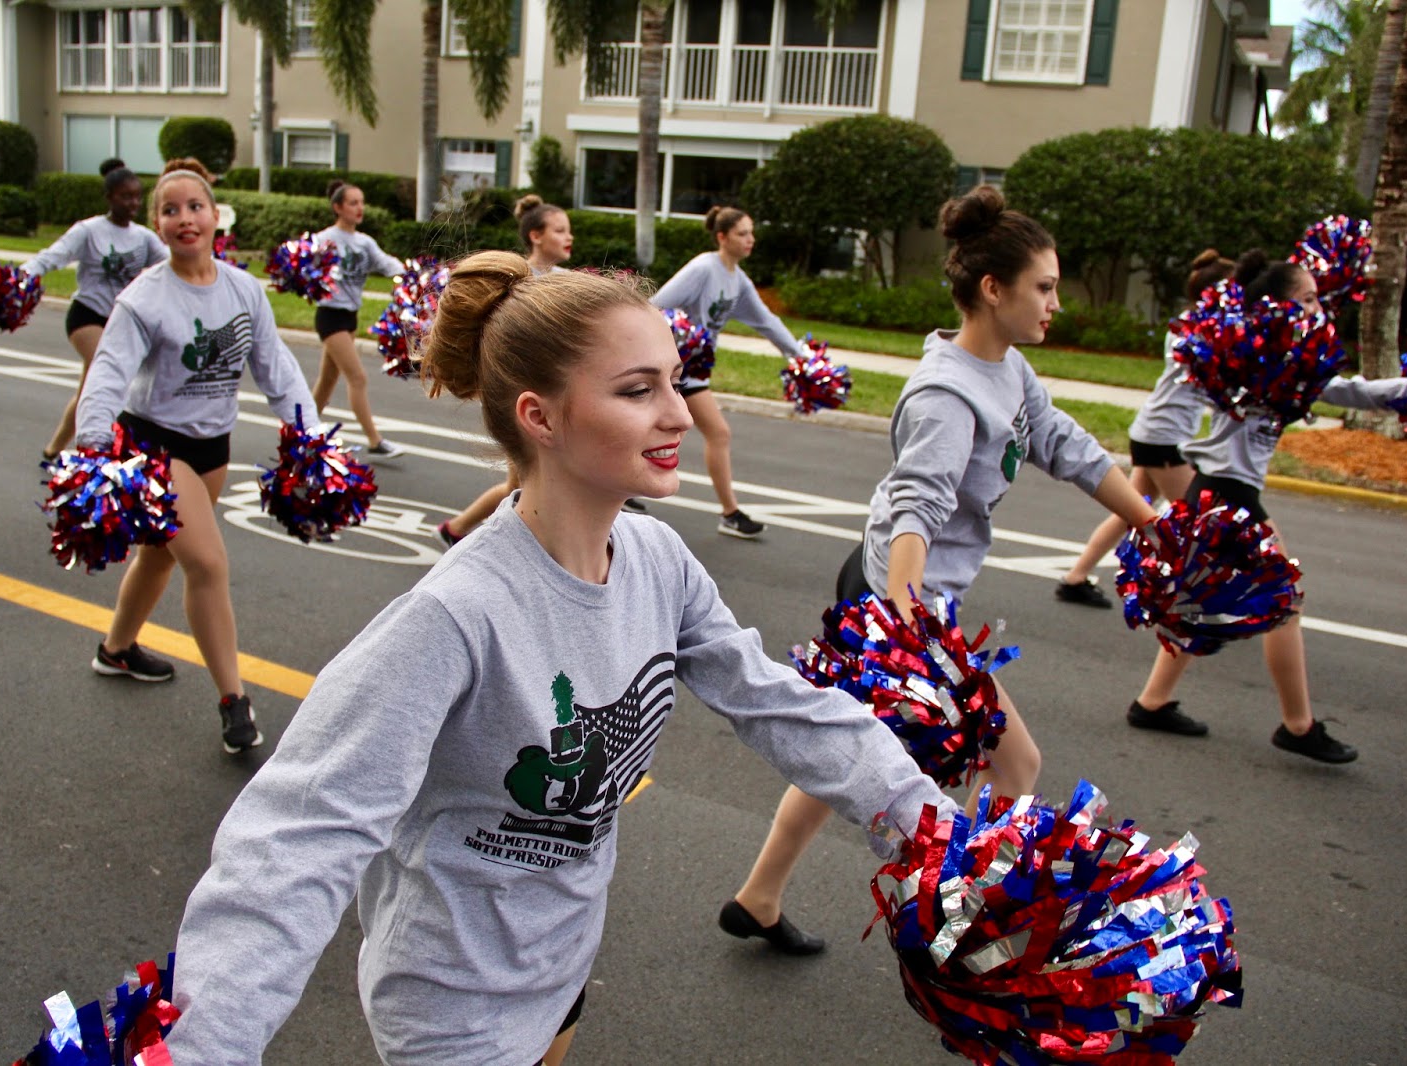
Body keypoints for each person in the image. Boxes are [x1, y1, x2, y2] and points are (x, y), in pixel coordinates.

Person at [163, 252, 956, 1064]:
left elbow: (778, 703)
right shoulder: (455, 617)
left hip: (562, 965)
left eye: (675, 381)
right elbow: (298, 840)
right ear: (540, 418)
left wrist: (931, 832)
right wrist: (199, 1046)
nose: (679, 416)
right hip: (453, 1008)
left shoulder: (658, 560)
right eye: (637, 390)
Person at [717, 186, 1159, 955]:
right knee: (1014, 763)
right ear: (994, 289)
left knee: (850, 748)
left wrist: (1158, 527)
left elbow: (1063, 443)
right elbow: (919, 509)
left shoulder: (1007, 370)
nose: (1056, 302)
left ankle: (759, 897)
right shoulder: (947, 397)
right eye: (1044, 287)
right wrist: (912, 631)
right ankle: (961, 926)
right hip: (898, 602)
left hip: (902, 596)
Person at [1122, 250, 1407, 762]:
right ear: (1277, 308)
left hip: (1217, 492)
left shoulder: (1277, 361)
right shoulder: (1264, 361)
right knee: (1284, 605)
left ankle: (1152, 702)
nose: (1317, 309)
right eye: (1306, 300)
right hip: (1228, 496)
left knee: (1199, 603)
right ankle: (1298, 726)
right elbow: (1342, 390)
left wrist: (1405, 391)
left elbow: (1340, 389)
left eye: (1317, 300)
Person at [74, 159, 320, 755]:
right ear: (158, 224)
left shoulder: (243, 289)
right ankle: (234, 700)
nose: (184, 218)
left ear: (214, 216)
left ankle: (116, 650)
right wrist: (92, 440)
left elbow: (277, 369)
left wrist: (309, 437)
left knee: (159, 555)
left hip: (212, 447)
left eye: (194, 207)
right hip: (153, 443)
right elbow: (108, 371)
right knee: (206, 564)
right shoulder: (145, 297)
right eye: (170, 209)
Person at [435, 195, 644, 547]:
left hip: (557, 398)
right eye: (560, 230)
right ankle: (475, 539)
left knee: (520, 488)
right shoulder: (515, 286)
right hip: (526, 402)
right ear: (536, 236)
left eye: (569, 230)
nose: (569, 237)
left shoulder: (567, 281)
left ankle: (456, 530)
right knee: (524, 490)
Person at [1054, 249, 1236, 607]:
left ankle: (1075, 577)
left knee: (1130, 510)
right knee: (1197, 521)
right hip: (1164, 438)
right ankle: (1196, 595)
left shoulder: (1193, 325)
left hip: (1154, 432)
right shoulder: (1199, 332)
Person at [650, 206, 797, 540]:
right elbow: (656, 304)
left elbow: (765, 320)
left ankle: (620, 489)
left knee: (660, 429)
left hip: (695, 366)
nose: (750, 240)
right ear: (722, 236)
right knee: (718, 432)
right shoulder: (704, 268)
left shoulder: (737, 279)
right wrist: (683, 339)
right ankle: (730, 513)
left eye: (751, 233)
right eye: (742, 233)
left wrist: (798, 356)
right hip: (675, 365)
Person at [22, 158, 168, 459]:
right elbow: (52, 257)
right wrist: (19, 277)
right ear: (109, 197)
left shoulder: (143, 238)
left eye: (137, 197)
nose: (132, 203)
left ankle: (55, 447)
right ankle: (98, 450)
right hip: (86, 314)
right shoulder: (89, 230)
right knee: (110, 374)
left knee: (91, 384)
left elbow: (172, 265)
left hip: (120, 320)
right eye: (125, 196)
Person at [309, 180, 406, 458]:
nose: (359, 208)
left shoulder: (364, 242)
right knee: (358, 377)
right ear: (337, 207)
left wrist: (414, 274)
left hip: (349, 316)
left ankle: (303, 430)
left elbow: (388, 264)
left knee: (327, 380)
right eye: (353, 203)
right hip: (330, 315)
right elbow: (304, 271)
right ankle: (375, 441)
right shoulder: (323, 240)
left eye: (361, 202)